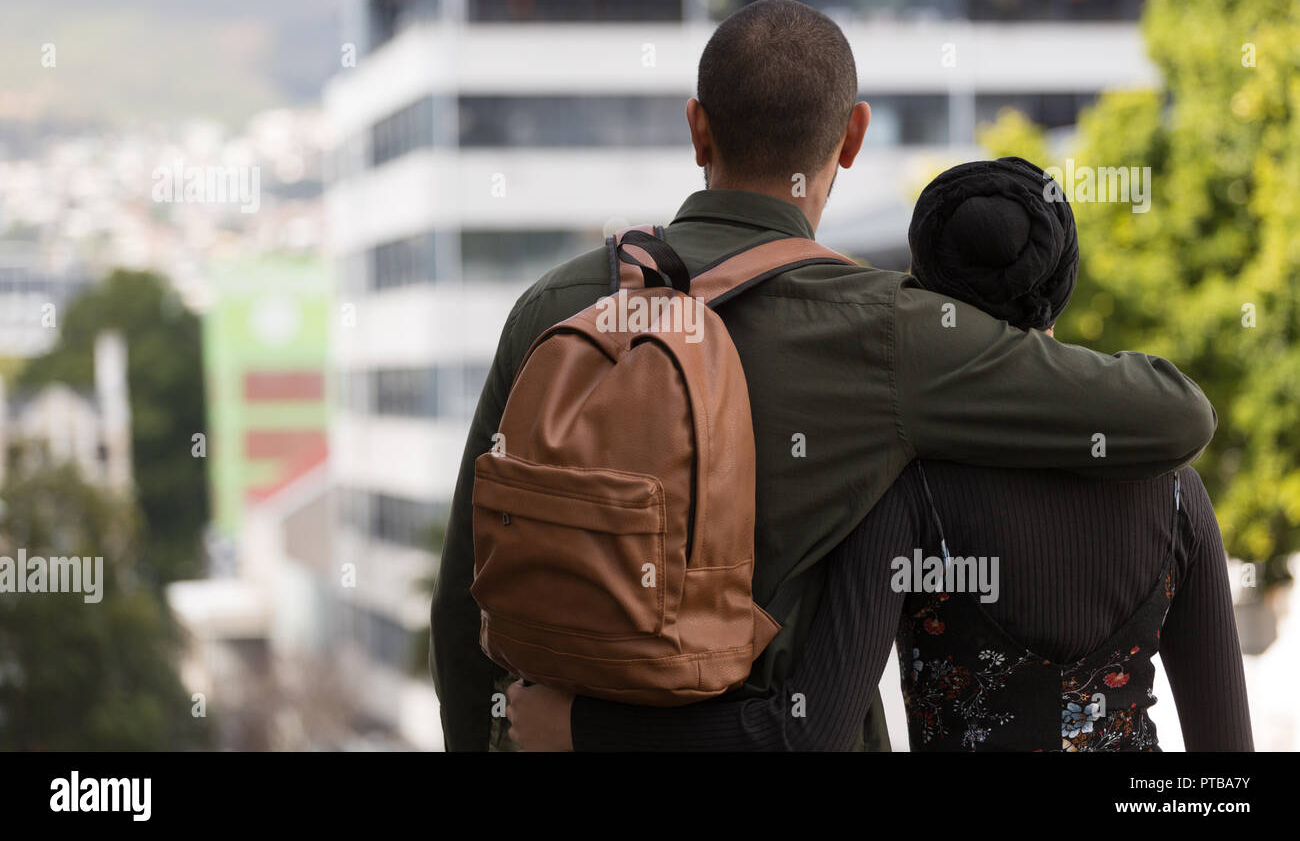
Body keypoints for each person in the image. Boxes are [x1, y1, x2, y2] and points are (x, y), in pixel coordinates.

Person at [431, 0, 1217, 752]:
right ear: (852, 137)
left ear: (697, 127)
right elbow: (1175, 417)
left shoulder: (560, 307)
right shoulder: (891, 331)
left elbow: (464, 600)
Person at [505, 158, 1252, 752]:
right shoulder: (1179, 493)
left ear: (928, 290)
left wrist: (577, 730)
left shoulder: (907, 492)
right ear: (1060, 282)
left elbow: (806, 732)